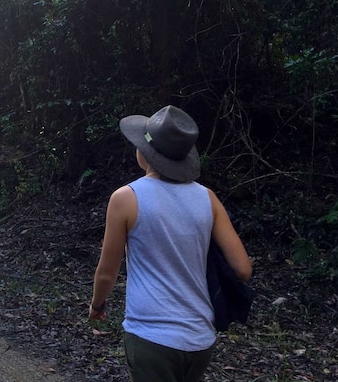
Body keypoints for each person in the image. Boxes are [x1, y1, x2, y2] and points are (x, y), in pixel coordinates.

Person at [88, 105, 252, 381]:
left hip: (151, 337)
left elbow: (107, 272)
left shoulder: (126, 198)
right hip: (200, 338)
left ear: (145, 152)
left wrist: (97, 305)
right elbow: (243, 269)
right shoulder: (207, 198)